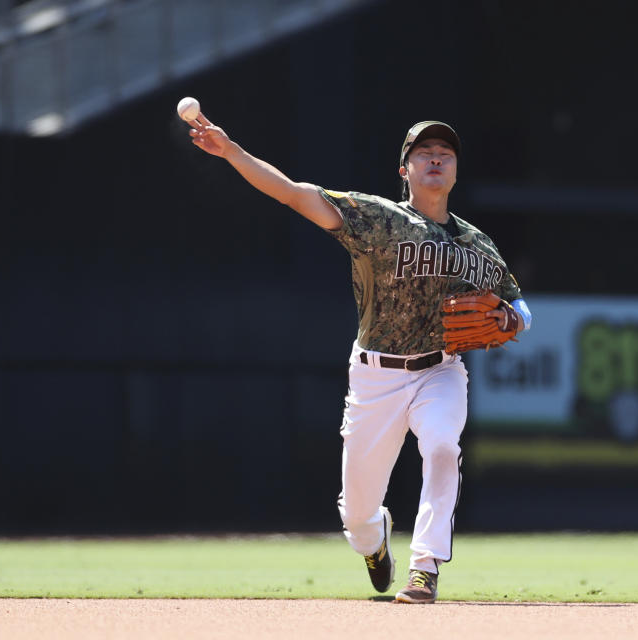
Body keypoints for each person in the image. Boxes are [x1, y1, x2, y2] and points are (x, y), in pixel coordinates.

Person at [187, 116, 532, 604]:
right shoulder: (378, 219)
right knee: (357, 517)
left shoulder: (478, 245)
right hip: (377, 376)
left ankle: (424, 569)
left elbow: (516, 301)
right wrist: (232, 153)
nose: (435, 158)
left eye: (445, 153)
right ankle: (375, 543)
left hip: (441, 370)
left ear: (455, 170)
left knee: (441, 446)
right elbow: (293, 193)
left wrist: (516, 321)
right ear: (404, 170)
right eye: (423, 152)